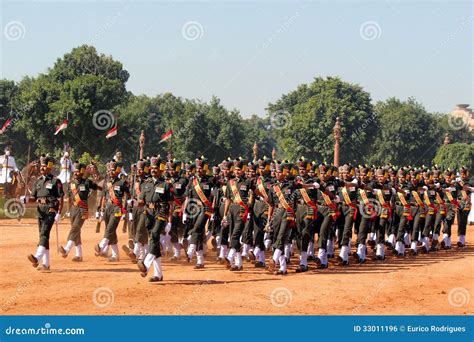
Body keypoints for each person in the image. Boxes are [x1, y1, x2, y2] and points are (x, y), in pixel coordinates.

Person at [22, 155, 64, 271]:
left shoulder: (55, 181)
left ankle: (37, 257)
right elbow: (33, 198)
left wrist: (59, 212)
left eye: (44, 166)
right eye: (41, 166)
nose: (41, 168)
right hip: (40, 210)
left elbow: (60, 198)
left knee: (44, 232)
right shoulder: (38, 182)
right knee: (43, 236)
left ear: (49, 167)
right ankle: (46, 264)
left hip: (51, 209)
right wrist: (25, 199)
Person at [136, 156, 173, 282]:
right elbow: (141, 199)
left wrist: (169, 221)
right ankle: (158, 274)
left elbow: (170, 203)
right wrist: (139, 202)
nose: (152, 170)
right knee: (154, 242)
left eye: (155, 168)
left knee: (155, 236)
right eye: (151, 168)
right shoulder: (146, 183)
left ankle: (145, 265)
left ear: (161, 170)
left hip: (161, 213)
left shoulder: (166, 185)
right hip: (149, 214)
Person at [60, 161, 101, 261]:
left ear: (82, 172)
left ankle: (66, 249)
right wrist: (68, 210)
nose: (75, 173)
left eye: (77, 172)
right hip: (73, 209)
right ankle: (79, 255)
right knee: (76, 232)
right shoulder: (71, 183)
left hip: (83, 209)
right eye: (75, 171)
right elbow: (69, 198)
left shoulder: (87, 182)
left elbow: (99, 187)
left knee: (74, 229)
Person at [94, 160, 129, 261]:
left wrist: (126, 209)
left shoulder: (122, 182)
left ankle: (101, 246)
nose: (110, 172)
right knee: (110, 231)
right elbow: (104, 197)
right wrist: (101, 210)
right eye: (109, 170)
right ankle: (115, 255)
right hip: (108, 208)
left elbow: (128, 196)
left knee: (110, 229)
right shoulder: (106, 183)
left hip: (117, 208)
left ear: (117, 171)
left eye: (112, 170)